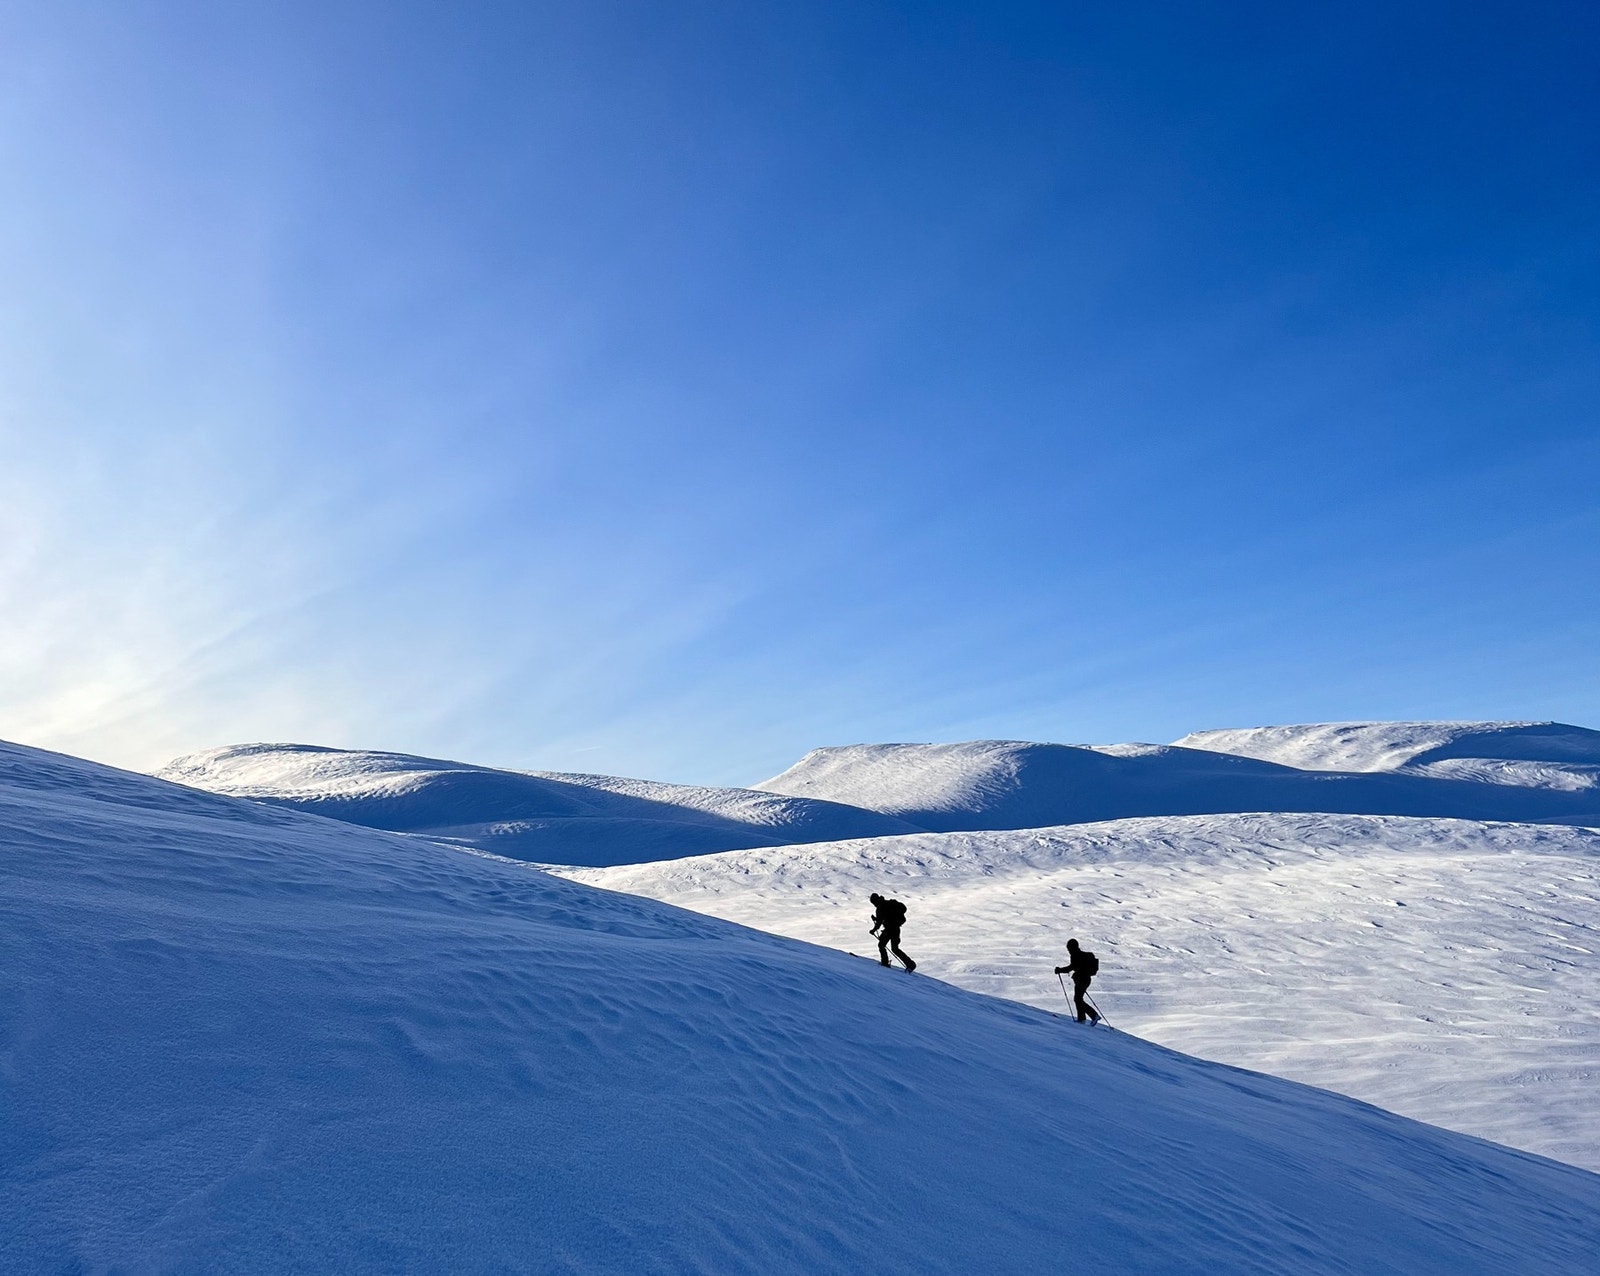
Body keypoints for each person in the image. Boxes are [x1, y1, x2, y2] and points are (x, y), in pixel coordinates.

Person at [1055, 938, 1101, 1024]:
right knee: (1078, 999)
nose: (1068, 950)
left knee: (1078, 999)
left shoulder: (1075, 955)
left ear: (1072, 947)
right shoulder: (1079, 954)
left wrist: (1060, 970)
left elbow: (1072, 967)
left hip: (1082, 979)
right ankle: (1082, 1019)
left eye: (1069, 948)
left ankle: (1093, 1015)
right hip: (1084, 979)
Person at [868, 893, 916, 971]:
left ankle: (885, 963)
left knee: (881, 945)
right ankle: (911, 964)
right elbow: (887, 917)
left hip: (889, 929)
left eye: (873, 902)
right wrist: (876, 919)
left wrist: (873, 930)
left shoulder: (880, 907)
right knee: (895, 948)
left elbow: (880, 922)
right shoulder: (888, 903)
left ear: (875, 901)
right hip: (896, 928)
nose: (873, 904)